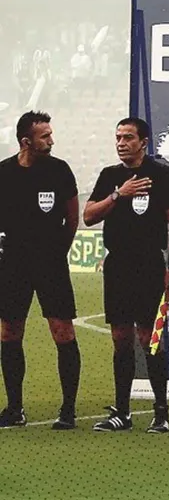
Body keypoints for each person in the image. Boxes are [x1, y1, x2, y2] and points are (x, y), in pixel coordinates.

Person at [84, 117, 169, 433]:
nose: (121, 143)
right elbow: (88, 216)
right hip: (117, 267)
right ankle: (123, 412)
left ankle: (161, 412)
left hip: (149, 266)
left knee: (149, 338)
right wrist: (119, 195)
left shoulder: (161, 176)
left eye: (128, 137)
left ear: (143, 141)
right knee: (120, 338)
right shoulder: (110, 177)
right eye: (118, 137)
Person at [0, 111, 80, 429]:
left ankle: (68, 411)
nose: (51, 140)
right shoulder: (4, 172)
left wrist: (57, 252)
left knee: (62, 332)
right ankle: (15, 408)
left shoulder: (59, 171)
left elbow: (72, 218)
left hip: (50, 263)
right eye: (45, 136)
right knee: (9, 332)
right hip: (12, 264)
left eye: (50, 134)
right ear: (26, 141)